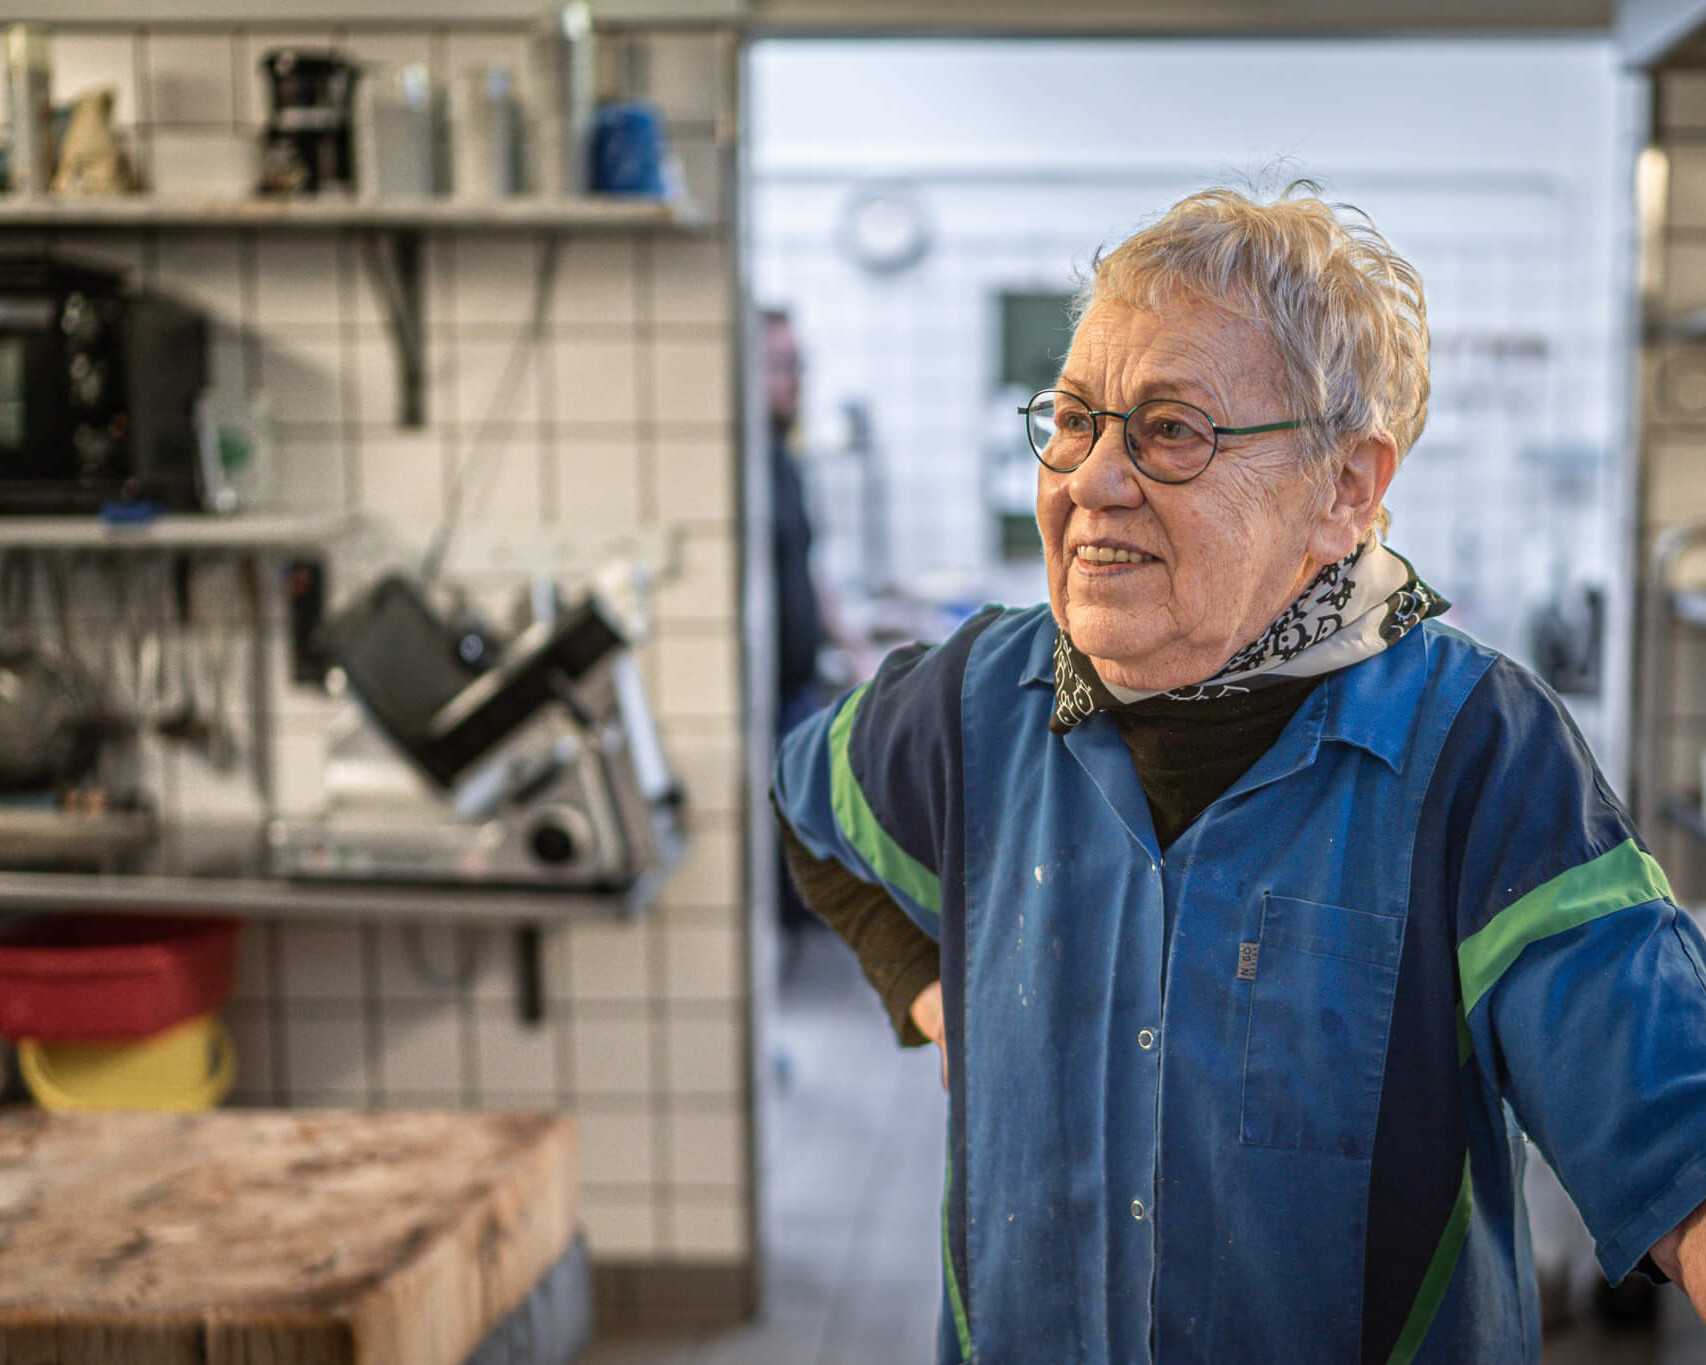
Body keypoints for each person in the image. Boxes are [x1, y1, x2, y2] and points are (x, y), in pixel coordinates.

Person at [771, 183, 1706, 1363]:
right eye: (1072, 419)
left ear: (1343, 491)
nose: (1089, 481)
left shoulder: (1475, 751)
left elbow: (1673, 1118)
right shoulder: (972, 704)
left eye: (1169, 431)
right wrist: (925, 987)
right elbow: (805, 806)